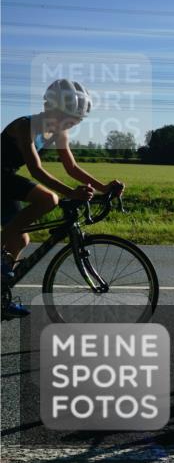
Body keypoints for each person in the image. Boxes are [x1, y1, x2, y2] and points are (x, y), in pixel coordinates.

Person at [1, 79, 124, 318]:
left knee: (20, 240)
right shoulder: (24, 125)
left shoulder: (58, 132)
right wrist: (70, 193)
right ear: (51, 107)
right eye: (69, 116)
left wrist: (103, 188)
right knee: (48, 199)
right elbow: (35, 169)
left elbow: (72, 167)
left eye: (76, 119)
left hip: (5, 179)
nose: (71, 123)